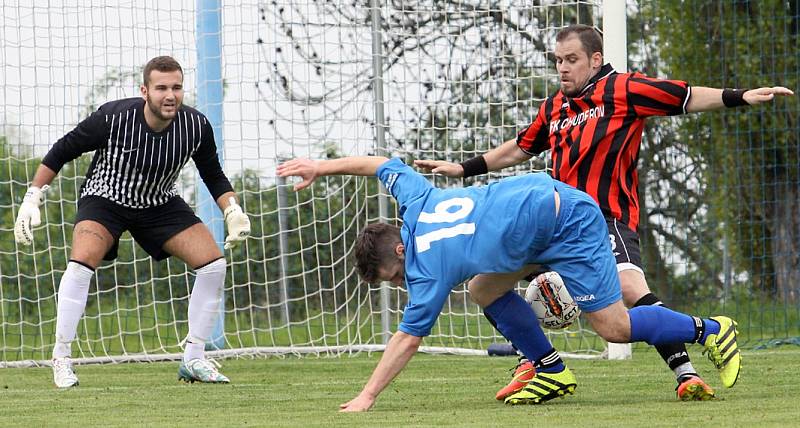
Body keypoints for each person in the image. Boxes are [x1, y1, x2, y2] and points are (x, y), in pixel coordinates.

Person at [415, 24, 793, 401]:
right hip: (554, 224)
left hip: (605, 217)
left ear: (595, 60)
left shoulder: (623, 89)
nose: (562, 68)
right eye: (558, 60)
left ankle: (688, 368)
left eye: (572, 60)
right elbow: (519, 148)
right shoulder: (555, 107)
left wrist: (740, 96)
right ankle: (541, 365)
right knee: (483, 285)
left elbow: (685, 96)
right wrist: (464, 169)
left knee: (627, 293)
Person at [276, 155, 741, 411]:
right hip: (532, 215)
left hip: (567, 222)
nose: (402, 286)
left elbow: (406, 341)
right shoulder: (416, 202)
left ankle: (711, 330)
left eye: (396, 277)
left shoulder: (429, 271)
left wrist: (366, 396)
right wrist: (321, 166)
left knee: (614, 328)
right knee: (483, 288)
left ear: (401, 251)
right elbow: (381, 165)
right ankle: (552, 369)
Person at [13, 56, 251, 388]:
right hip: (106, 199)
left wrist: (233, 211)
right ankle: (61, 357)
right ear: (145, 90)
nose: (170, 95)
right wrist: (32, 198)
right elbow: (61, 150)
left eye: (177, 87)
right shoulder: (113, 118)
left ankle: (194, 357)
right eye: (161, 88)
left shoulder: (196, 126)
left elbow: (213, 174)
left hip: (158, 203)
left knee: (213, 265)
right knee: (81, 263)